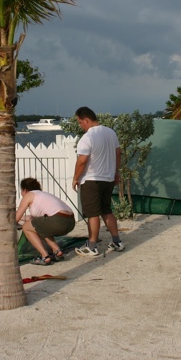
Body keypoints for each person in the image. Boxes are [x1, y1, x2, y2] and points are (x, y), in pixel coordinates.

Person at [71, 107, 125, 257]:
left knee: (92, 214)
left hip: (92, 180)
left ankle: (92, 246)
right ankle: (116, 241)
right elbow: (118, 153)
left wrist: (75, 178)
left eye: (80, 122)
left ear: (86, 120)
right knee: (106, 210)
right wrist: (116, 172)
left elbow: (82, 161)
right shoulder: (111, 132)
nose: (80, 125)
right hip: (108, 178)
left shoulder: (87, 138)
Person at [15, 177, 76, 266]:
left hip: (57, 221)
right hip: (70, 222)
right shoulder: (42, 195)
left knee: (26, 228)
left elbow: (16, 218)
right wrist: (22, 218)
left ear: (25, 190)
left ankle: (45, 256)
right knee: (39, 227)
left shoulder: (29, 195)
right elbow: (34, 220)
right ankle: (57, 251)